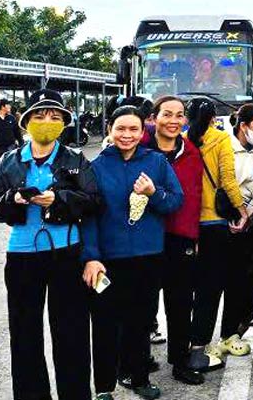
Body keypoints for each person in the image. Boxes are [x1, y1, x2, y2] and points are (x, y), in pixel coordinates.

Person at [0, 89, 101, 400]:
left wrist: (58, 199)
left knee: (72, 332)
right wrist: (14, 198)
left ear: (64, 122)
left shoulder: (75, 159)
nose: (47, 121)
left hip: (66, 254)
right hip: (22, 256)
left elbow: (93, 201)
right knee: (24, 333)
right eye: (40, 115)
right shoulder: (9, 162)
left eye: (55, 116)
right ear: (26, 121)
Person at [82, 105, 184, 400]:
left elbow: (175, 201)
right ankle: (104, 387)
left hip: (147, 256)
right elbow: (88, 217)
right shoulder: (96, 167)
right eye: (121, 129)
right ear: (110, 130)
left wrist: (154, 193)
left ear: (143, 132)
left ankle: (139, 377)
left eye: (133, 129)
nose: (126, 135)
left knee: (140, 322)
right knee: (105, 324)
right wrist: (91, 256)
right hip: (107, 261)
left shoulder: (156, 162)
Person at [143, 96, 206, 384]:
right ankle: (137, 361)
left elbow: (194, 199)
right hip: (144, 238)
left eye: (179, 115)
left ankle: (180, 361)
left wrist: (194, 235)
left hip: (180, 237)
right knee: (142, 303)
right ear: (153, 118)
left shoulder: (192, 153)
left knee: (180, 303)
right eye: (166, 114)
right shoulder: (138, 150)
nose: (173, 121)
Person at [185, 97, 249, 370]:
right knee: (213, 286)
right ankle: (200, 348)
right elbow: (228, 179)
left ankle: (190, 342)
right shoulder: (221, 139)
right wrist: (241, 210)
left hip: (188, 222)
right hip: (214, 222)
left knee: (193, 288)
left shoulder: (183, 140)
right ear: (214, 118)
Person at [221, 104, 253, 350]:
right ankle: (223, 333)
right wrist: (235, 212)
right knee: (228, 281)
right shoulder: (225, 149)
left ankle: (236, 329)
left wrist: (251, 211)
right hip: (225, 222)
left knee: (252, 279)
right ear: (243, 125)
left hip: (252, 223)